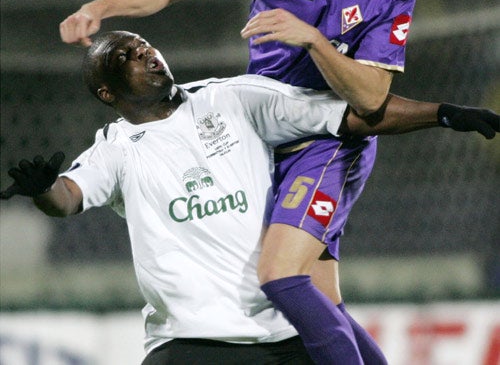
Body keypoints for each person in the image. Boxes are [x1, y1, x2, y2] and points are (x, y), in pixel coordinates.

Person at [58, 0, 497, 364]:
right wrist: (98, 8)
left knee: (280, 277)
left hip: (330, 139)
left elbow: (372, 98)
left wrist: (312, 40)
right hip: (258, 136)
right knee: (322, 301)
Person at [2, 30, 498, 365]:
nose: (145, 54)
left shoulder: (232, 97)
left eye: (145, 45)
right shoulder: (115, 147)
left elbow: (351, 115)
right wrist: (43, 188)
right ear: (107, 92)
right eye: (126, 57)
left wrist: (446, 113)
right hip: (191, 343)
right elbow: (68, 197)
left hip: (283, 333)